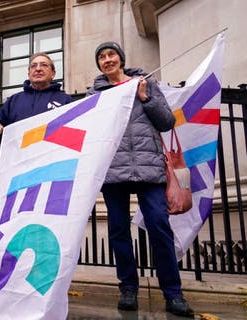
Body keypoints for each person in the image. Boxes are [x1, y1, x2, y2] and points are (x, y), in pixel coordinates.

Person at [88, 41, 194, 318]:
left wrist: (145, 97)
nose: (107, 60)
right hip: (114, 173)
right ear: (99, 64)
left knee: (159, 226)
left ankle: (173, 293)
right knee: (119, 230)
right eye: (102, 57)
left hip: (149, 170)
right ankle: (128, 289)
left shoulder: (145, 83)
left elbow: (167, 122)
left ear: (121, 58)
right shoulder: (95, 93)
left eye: (111, 55)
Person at [0, 52, 72, 142]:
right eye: (33, 66)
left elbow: (74, 135)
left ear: (53, 73)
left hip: (52, 155)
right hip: (19, 155)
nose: (38, 69)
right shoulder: (14, 100)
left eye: (44, 65)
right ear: (29, 74)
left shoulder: (65, 100)